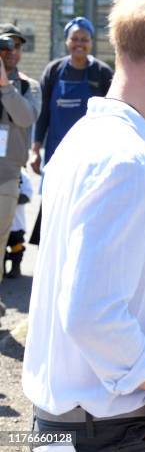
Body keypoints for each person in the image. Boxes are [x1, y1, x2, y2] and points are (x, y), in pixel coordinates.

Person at [22, 0, 145, 450]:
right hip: (105, 429)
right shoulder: (127, 159)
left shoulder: (88, 137)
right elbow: (93, 315)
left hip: (74, 421)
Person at [28, 16, 113, 245]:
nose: (79, 43)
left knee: (83, 207)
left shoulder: (102, 73)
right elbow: (43, 113)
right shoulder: (54, 70)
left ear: (91, 42)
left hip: (91, 156)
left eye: (84, 39)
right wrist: (36, 149)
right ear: (66, 41)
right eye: (74, 38)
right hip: (56, 152)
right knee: (54, 206)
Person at [0, 24, 40, 284]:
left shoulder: (28, 86)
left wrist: (5, 85)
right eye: (5, 46)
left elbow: (26, 118)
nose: (12, 51)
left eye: (17, 46)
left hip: (6, 177)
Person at [4, 169, 33, 279]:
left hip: (16, 223)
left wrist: (11, 199)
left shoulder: (21, 173)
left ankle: (15, 267)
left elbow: (27, 194)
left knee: (16, 245)